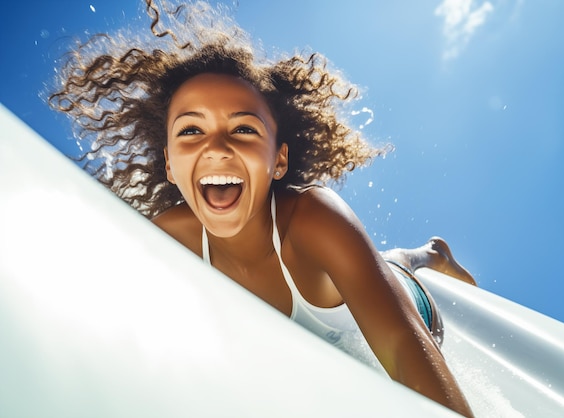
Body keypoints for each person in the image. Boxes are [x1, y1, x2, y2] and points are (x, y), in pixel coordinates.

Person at [49, 1, 475, 416]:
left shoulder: (313, 217)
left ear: (279, 161)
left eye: (244, 128)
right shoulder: (168, 236)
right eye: (192, 130)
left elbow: (402, 350)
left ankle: (433, 253)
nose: (216, 148)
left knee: (396, 263)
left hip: (415, 311)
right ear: (170, 166)